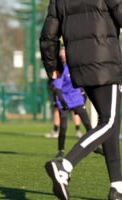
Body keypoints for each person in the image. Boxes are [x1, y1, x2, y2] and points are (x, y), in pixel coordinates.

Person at [40, 0, 122, 199]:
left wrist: (53, 67)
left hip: (78, 66)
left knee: (108, 122)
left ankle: (117, 188)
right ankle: (64, 166)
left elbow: (48, 35)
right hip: (105, 61)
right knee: (110, 121)